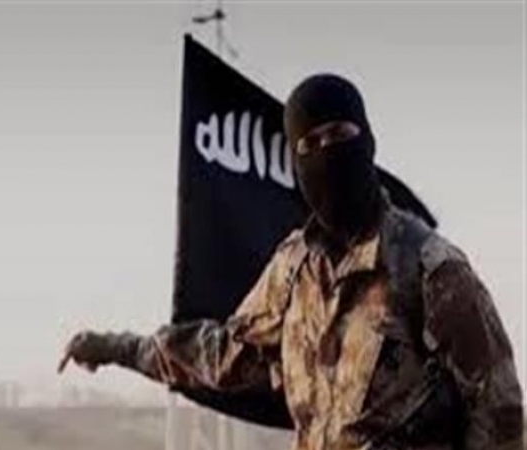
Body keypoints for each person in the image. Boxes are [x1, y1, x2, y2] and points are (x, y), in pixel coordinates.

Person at [58, 74, 524, 450]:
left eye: (339, 135)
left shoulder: (431, 269)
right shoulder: (292, 270)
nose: (326, 153)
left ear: (368, 143)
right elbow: (221, 355)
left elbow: (500, 413)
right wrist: (115, 348)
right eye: (309, 144)